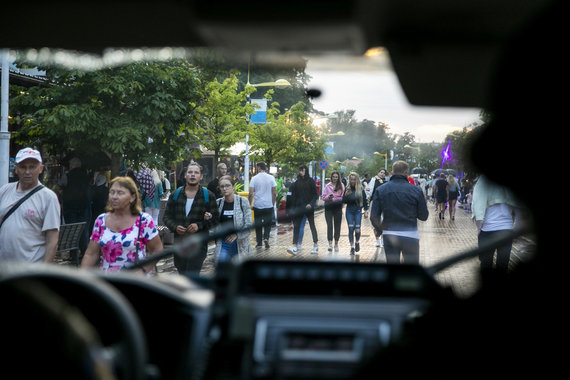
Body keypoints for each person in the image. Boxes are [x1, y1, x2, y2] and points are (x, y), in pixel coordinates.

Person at [81, 176, 162, 274]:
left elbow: (157, 250)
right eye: (112, 192)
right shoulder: (101, 220)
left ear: (132, 197)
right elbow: (91, 254)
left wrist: (144, 270)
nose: (114, 196)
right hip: (107, 282)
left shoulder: (144, 220)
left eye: (120, 193)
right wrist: (82, 277)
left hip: (135, 282)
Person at [0, 147, 60, 263]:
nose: (27, 172)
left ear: (40, 169)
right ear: (16, 168)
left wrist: (43, 273)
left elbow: (52, 241)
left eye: (32, 167)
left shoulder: (48, 197)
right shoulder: (4, 190)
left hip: (30, 271)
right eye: (23, 167)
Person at [162, 162, 219, 274]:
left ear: (201, 176)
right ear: (185, 175)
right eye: (190, 172)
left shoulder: (208, 196)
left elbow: (216, 219)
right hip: (180, 244)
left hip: (199, 244)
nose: (193, 175)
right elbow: (166, 217)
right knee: (182, 273)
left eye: (196, 172)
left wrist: (199, 225)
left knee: (192, 274)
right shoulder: (176, 195)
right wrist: (175, 227)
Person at [370, 161, 429, 264]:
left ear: (392, 172)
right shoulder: (416, 191)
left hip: (390, 234)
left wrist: (380, 230)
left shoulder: (381, 190)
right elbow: (423, 216)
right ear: (406, 173)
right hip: (410, 235)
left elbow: (374, 216)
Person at [472, 175, 523, 274]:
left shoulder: (483, 181)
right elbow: (519, 208)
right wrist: (515, 228)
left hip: (487, 230)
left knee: (485, 264)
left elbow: (478, 206)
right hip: (506, 230)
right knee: (503, 265)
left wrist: (479, 229)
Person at [212, 175, 253, 263]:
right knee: (221, 267)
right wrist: (209, 218)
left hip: (240, 244)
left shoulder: (243, 201)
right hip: (223, 243)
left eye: (227, 185)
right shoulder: (218, 203)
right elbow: (214, 224)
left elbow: (249, 225)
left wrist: (237, 235)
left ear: (233, 187)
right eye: (222, 186)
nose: (224, 188)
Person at [59, 156, 90, 254]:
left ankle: (73, 253)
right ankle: (84, 251)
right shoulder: (86, 176)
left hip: (70, 206)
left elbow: (60, 186)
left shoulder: (67, 176)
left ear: (72, 165)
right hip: (83, 205)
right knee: (82, 230)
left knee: (72, 230)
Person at [286, 164, 319, 255]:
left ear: (306, 170)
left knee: (312, 225)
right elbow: (293, 196)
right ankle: (294, 246)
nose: (301, 172)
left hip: (309, 208)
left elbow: (315, 195)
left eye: (302, 170)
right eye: (300, 170)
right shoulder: (296, 182)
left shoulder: (311, 181)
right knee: (296, 226)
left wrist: (311, 204)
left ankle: (315, 245)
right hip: (299, 208)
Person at [248, 162, 276, 249]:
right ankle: (266, 238)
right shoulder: (271, 178)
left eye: (257, 168)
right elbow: (274, 192)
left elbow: (251, 193)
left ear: (259, 168)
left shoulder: (254, 178)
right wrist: (273, 203)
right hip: (268, 205)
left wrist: (249, 204)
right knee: (267, 224)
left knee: (258, 224)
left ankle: (259, 243)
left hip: (257, 205)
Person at [342, 172, 369, 255]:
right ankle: (352, 247)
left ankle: (357, 242)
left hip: (358, 210)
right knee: (350, 228)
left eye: (354, 179)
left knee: (357, 229)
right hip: (349, 210)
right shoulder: (347, 188)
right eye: (351, 179)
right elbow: (343, 201)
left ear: (357, 180)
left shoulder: (360, 188)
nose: (352, 181)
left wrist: (366, 211)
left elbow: (365, 200)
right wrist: (346, 195)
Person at [321, 171, 345, 252]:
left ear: (338, 178)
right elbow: (323, 197)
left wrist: (334, 198)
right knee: (329, 225)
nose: (335, 178)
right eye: (333, 177)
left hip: (337, 207)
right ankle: (330, 243)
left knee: (337, 226)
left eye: (336, 177)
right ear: (331, 177)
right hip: (328, 207)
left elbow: (343, 198)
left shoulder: (341, 185)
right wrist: (328, 197)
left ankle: (336, 243)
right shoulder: (328, 186)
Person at [365, 168, 388, 247]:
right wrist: (367, 187)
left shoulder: (386, 182)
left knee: (383, 222)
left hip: (384, 204)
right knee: (374, 222)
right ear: (378, 173)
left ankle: (383, 240)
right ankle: (377, 240)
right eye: (381, 172)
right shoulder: (372, 180)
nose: (382, 174)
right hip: (374, 203)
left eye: (384, 173)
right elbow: (364, 182)